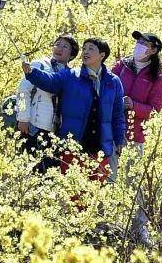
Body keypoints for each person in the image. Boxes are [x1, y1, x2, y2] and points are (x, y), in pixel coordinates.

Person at [21, 37, 125, 184]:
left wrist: (119, 138)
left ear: (102, 55)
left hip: (101, 145)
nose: (86, 52)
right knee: (72, 192)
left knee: (96, 192)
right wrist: (32, 73)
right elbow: (50, 81)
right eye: (84, 48)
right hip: (74, 143)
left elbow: (117, 113)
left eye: (91, 49)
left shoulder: (113, 82)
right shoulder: (71, 75)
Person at [111, 31, 162, 245]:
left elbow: (155, 110)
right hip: (112, 129)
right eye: (138, 42)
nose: (139, 46)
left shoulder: (156, 77)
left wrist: (134, 106)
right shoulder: (121, 66)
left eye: (144, 43)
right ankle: (103, 224)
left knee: (133, 182)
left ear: (153, 50)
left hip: (135, 135)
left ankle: (139, 229)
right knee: (108, 177)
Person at [15, 35, 76, 168]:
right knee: (29, 166)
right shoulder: (40, 64)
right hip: (32, 126)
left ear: (71, 55)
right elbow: (22, 91)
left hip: (55, 131)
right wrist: (23, 118)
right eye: (57, 44)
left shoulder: (71, 75)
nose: (59, 48)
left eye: (65, 46)